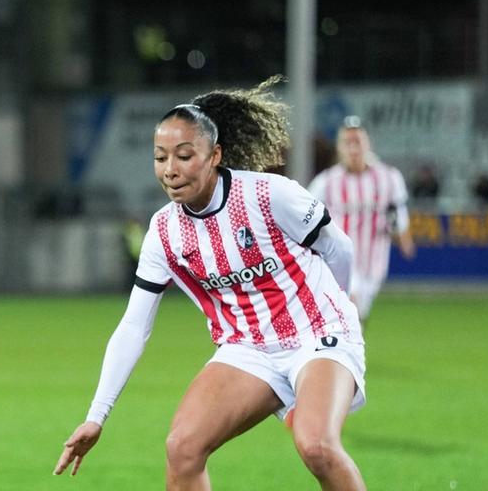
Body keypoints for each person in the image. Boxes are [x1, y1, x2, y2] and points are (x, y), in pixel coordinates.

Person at [55, 77, 368, 490]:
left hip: (319, 333)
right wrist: (96, 416)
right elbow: (134, 325)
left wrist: (337, 312)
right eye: (160, 157)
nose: (170, 169)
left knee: (317, 447)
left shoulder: (268, 195)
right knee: (182, 448)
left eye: (184, 156)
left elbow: (339, 249)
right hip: (248, 349)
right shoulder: (164, 232)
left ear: (215, 155)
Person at [307, 117, 414, 323]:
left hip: (374, 262)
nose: (353, 148)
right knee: (351, 307)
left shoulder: (389, 178)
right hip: (340, 260)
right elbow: (305, 217)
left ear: (368, 144)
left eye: (358, 142)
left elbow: (397, 215)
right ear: (339, 148)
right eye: (348, 143)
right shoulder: (326, 182)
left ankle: (351, 351)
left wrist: (404, 240)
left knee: (357, 316)